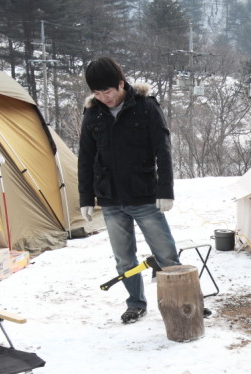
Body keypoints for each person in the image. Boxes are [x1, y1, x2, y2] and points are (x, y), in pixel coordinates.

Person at [78, 57, 181, 324]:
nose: (103, 97)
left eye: (108, 91)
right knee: (124, 258)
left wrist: (165, 190)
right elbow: (85, 158)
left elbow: (163, 150)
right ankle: (135, 303)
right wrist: (86, 197)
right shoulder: (93, 113)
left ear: (121, 84)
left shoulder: (146, 107)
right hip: (111, 199)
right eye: (97, 93)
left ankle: (183, 299)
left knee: (166, 253)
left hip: (144, 195)